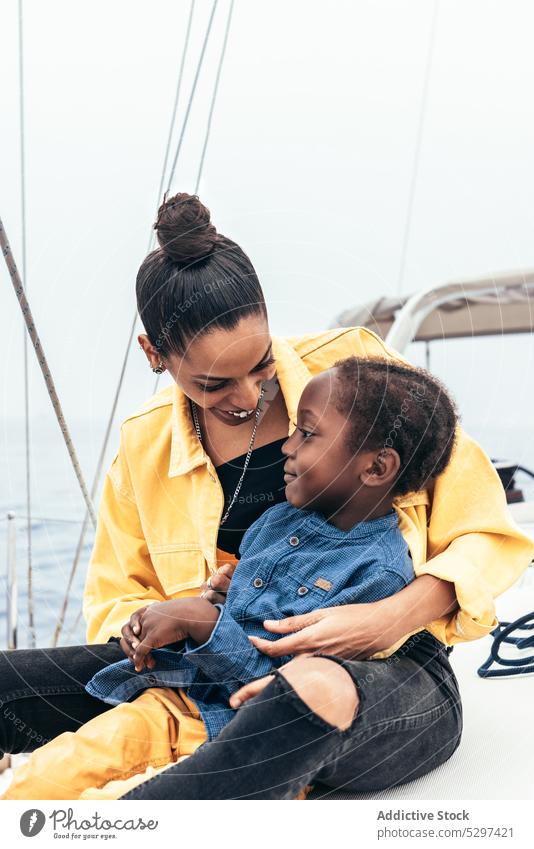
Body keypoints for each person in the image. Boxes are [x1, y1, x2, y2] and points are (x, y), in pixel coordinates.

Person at [0, 193, 532, 801]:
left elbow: (488, 532)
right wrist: (189, 617)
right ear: (154, 355)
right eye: (214, 383)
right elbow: (120, 602)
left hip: (389, 674)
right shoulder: (140, 448)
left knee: (305, 693)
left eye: (260, 367)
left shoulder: (358, 375)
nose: (250, 395)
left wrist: (380, 619)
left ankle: (150, 817)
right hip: (203, 666)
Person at [1, 355, 458, 800]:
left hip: (231, 733)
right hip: (170, 699)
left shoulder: (377, 576)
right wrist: (206, 605)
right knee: (35, 785)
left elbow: (280, 690)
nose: (288, 445)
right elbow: (238, 618)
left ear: (377, 468)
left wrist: (203, 623)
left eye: (308, 434)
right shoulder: (276, 520)